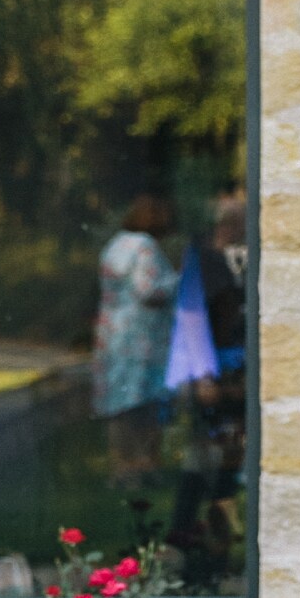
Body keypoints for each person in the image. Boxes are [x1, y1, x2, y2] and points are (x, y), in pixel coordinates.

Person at [91, 194, 178, 490]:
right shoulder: (145, 247)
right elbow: (148, 289)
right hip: (140, 337)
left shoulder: (116, 244)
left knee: (118, 403)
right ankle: (142, 466)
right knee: (143, 403)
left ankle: (120, 466)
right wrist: (178, 282)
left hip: (112, 333)